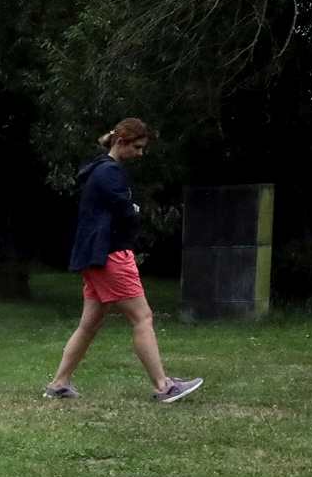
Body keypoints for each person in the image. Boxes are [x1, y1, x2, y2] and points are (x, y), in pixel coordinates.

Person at [45, 117, 203, 404]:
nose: (140, 153)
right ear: (121, 142)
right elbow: (124, 213)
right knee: (142, 317)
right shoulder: (110, 174)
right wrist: (133, 210)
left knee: (89, 325)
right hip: (110, 255)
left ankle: (59, 384)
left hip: (95, 257)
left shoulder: (99, 171)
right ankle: (163, 386)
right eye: (138, 147)